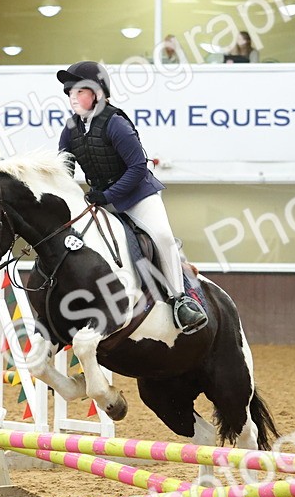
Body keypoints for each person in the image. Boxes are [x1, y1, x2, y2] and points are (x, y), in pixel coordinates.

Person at [55, 60, 207, 334]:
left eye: (79, 92)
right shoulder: (71, 128)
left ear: (98, 93)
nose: (72, 98)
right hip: (101, 199)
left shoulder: (116, 124)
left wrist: (108, 195)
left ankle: (180, 300)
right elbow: (64, 163)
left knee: (161, 237)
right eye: (69, 93)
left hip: (138, 196)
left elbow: (138, 167)